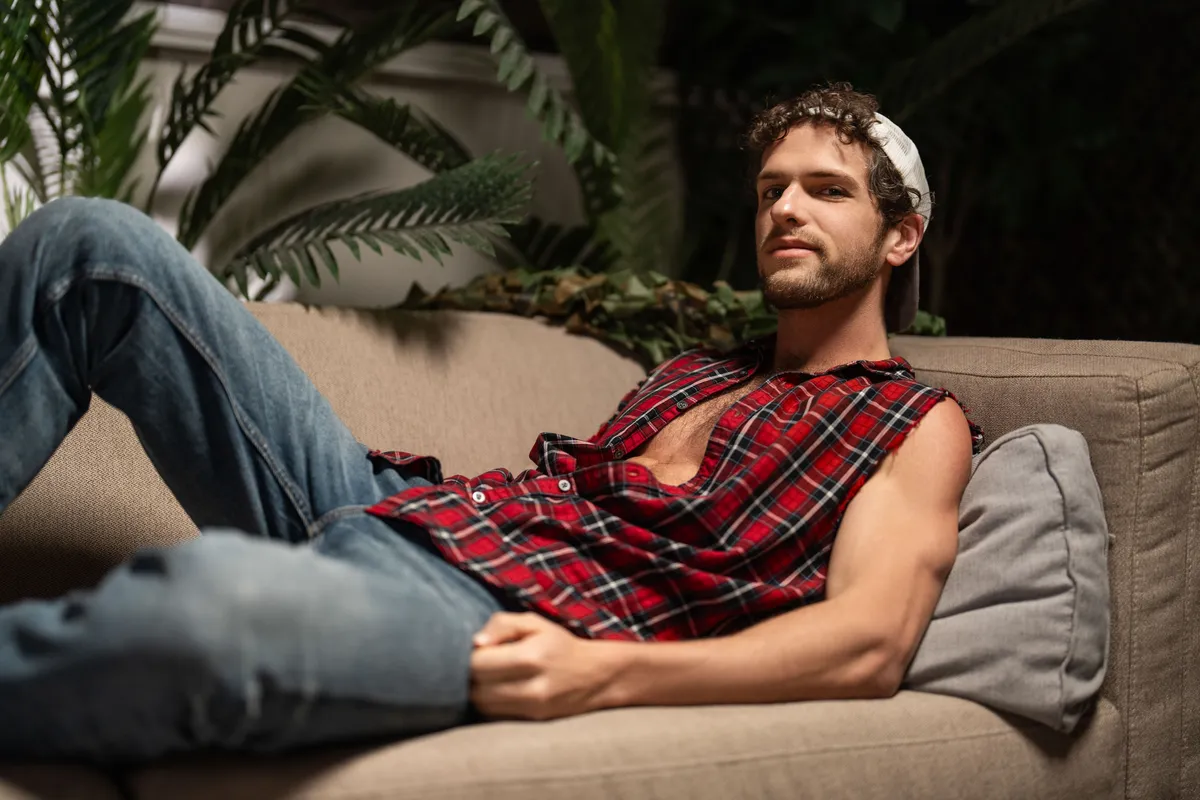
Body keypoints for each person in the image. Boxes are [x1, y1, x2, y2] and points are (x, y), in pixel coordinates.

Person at [0, 83, 980, 763]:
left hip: (495, 618)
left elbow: (868, 643)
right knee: (95, 247)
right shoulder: (696, 370)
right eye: (771, 190)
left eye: (826, 190)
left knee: (203, 614)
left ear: (901, 234)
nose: (785, 210)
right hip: (401, 506)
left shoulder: (909, 420)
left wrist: (602, 673)